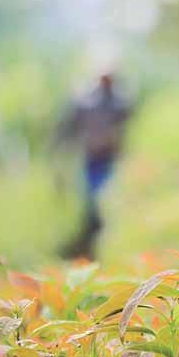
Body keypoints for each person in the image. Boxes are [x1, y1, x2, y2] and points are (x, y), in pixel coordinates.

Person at [54, 68, 132, 258]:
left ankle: (100, 241)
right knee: (91, 201)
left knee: (106, 200)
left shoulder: (119, 103)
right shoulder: (87, 102)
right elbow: (71, 127)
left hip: (110, 159)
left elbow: (126, 124)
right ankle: (87, 242)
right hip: (92, 159)